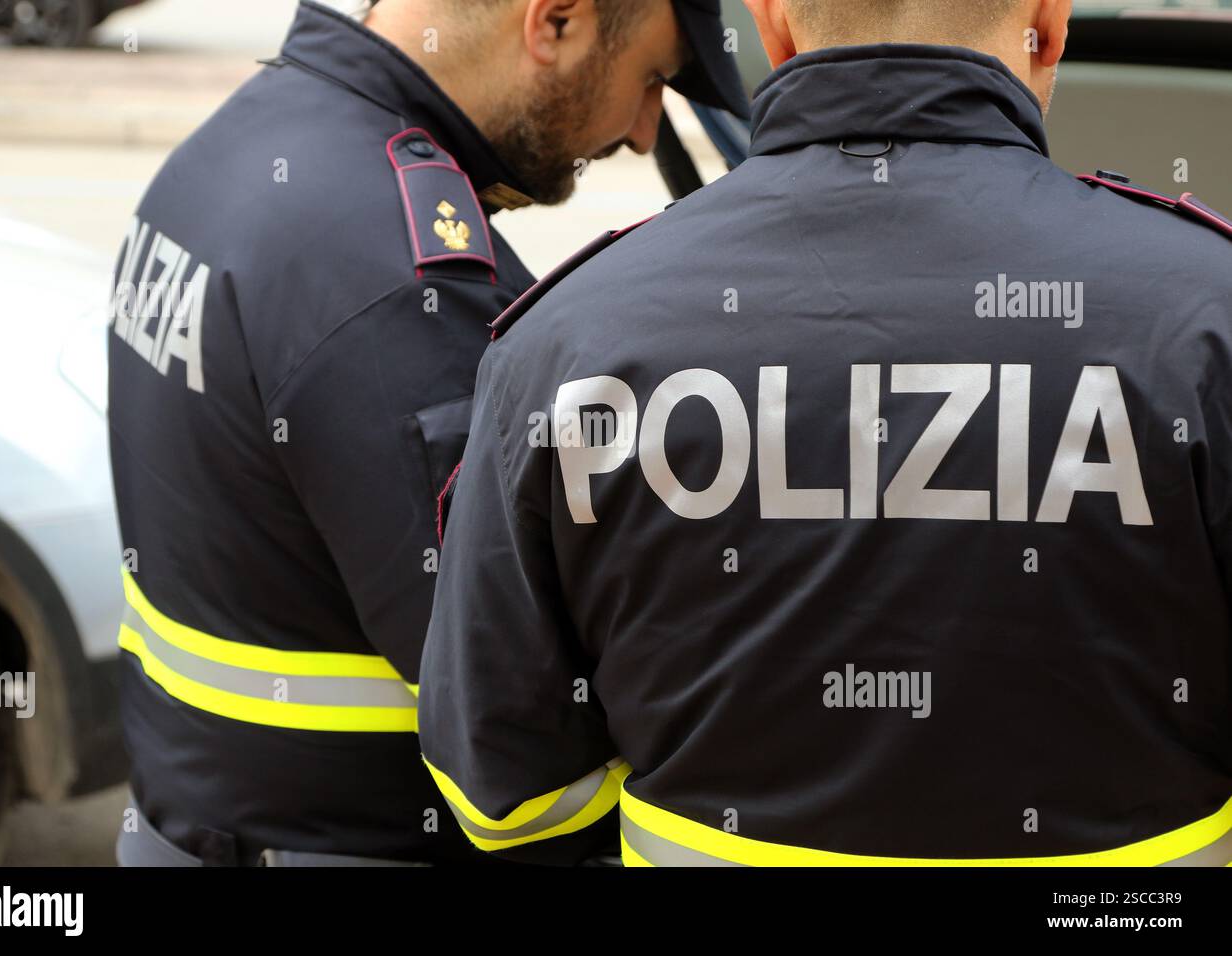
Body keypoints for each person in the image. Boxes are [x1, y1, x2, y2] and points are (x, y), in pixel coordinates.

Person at [419, 0, 1232, 865]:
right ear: (1049, 22)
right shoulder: (1206, 318)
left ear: (771, 25)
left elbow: (505, 792)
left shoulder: (569, 342)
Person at [108, 0, 746, 866]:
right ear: (555, 21)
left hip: (203, 822)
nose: (642, 133)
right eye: (652, 81)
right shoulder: (404, 289)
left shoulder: (245, 143)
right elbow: (519, 750)